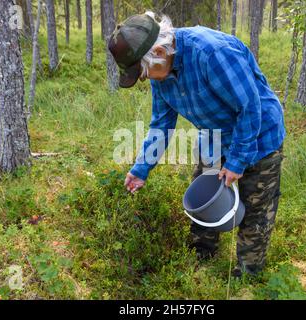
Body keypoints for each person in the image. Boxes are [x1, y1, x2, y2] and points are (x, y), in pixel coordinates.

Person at [108, 11, 286, 277]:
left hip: (259, 134)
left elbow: (249, 107)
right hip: (213, 138)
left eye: (143, 73)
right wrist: (140, 169)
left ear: (159, 50)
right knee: (204, 201)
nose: (145, 79)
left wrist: (237, 161)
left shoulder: (211, 53)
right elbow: (161, 126)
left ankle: (247, 276)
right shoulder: (161, 70)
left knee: (255, 210)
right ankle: (201, 256)